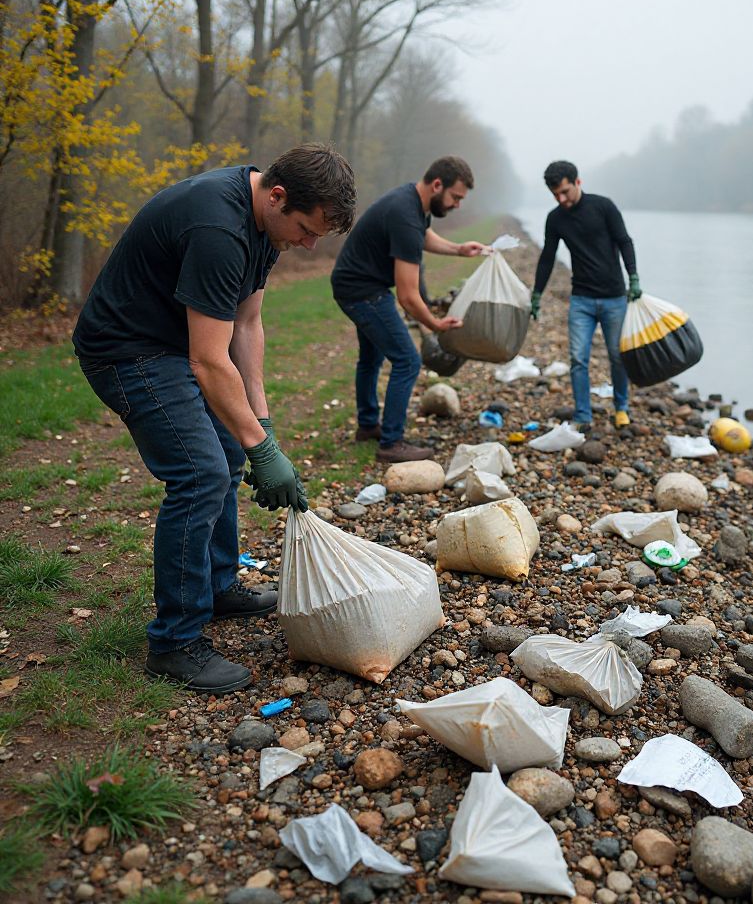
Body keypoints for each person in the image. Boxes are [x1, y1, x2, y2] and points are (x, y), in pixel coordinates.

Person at [72, 143, 357, 694]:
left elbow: (246, 325)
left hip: (173, 345)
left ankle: (217, 586)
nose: (309, 244)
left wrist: (261, 428)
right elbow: (207, 359)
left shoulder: (266, 226)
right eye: (306, 229)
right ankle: (175, 644)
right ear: (277, 195)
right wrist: (262, 450)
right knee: (199, 473)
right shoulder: (218, 229)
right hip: (127, 350)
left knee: (227, 452)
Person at [331, 156, 485, 463]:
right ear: (437, 185)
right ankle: (391, 443)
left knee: (371, 358)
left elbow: (422, 235)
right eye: (455, 197)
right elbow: (408, 297)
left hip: (355, 284)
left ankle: (368, 426)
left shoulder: (412, 202)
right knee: (408, 361)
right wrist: (436, 324)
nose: (457, 205)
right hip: (363, 292)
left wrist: (458, 249)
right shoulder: (405, 215)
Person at [531, 160, 642, 431]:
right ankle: (583, 414)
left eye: (565, 192)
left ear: (577, 182)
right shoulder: (555, 219)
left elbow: (625, 241)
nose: (561, 199)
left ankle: (621, 407)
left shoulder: (603, 207)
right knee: (578, 359)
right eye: (555, 195)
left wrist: (634, 277)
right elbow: (547, 257)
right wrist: (536, 294)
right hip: (581, 299)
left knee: (617, 356)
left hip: (614, 297)